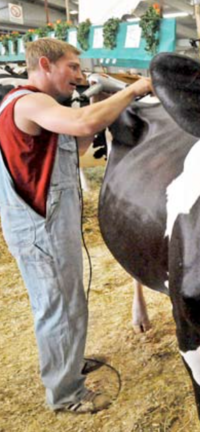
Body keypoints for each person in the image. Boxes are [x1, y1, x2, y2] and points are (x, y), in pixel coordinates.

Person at [0, 38, 152, 413]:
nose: (79, 76)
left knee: (69, 300)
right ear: (46, 65)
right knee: (57, 306)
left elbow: (76, 145)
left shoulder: (46, 107)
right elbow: (82, 121)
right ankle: (65, 394)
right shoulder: (28, 101)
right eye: (72, 67)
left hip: (51, 222)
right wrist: (134, 89)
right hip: (40, 226)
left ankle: (68, 363)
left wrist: (102, 107)